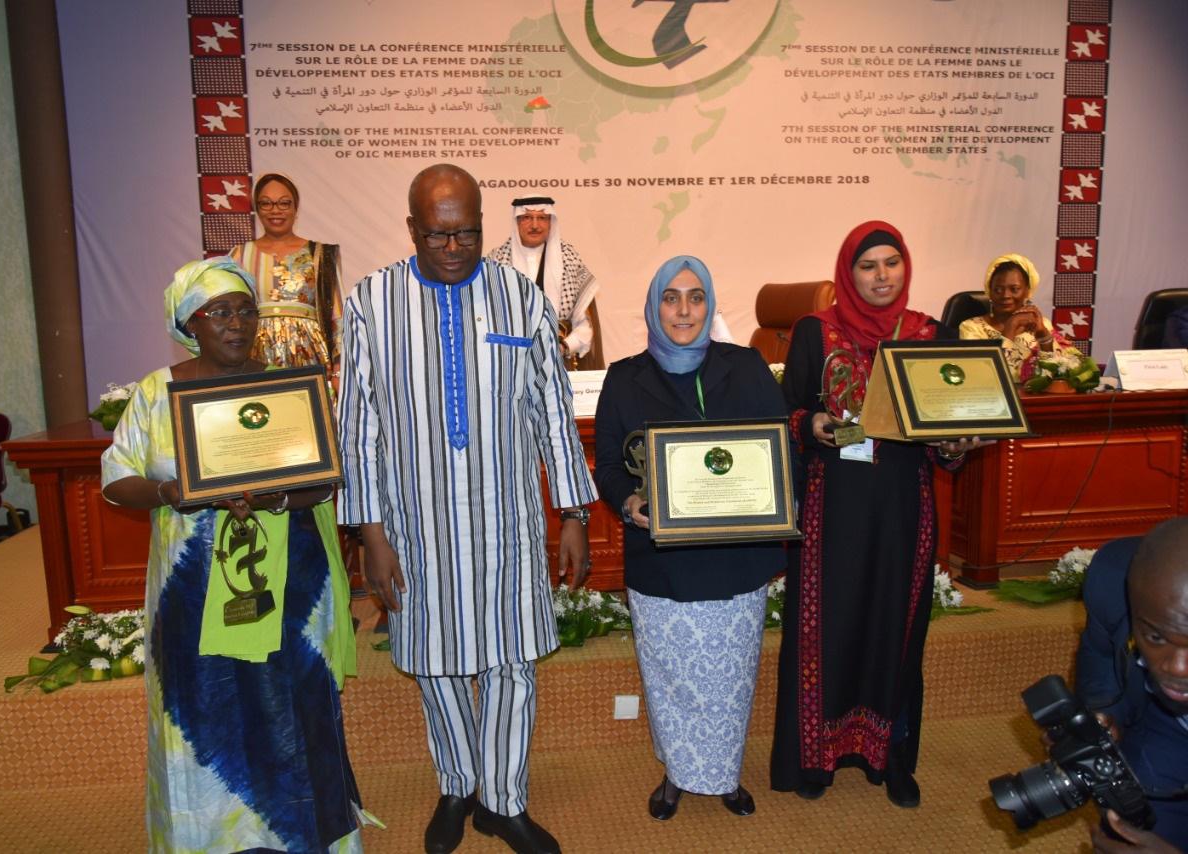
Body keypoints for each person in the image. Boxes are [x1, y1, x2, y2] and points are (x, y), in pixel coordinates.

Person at [337, 164, 597, 854]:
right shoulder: (371, 303)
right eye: (438, 235)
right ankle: (458, 786)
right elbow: (357, 428)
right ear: (411, 229)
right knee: (436, 660)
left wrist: (573, 514)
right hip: (413, 525)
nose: (454, 248)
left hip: (507, 521)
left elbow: (551, 410)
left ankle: (504, 802)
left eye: (468, 234)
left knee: (512, 660)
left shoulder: (520, 298)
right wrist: (370, 534)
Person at [101, 258, 364, 853]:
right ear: (188, 323)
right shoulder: (155, 393)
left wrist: (275, 496)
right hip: (191, 588)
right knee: (203, 704)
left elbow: (326, 481)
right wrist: (173, 493)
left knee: (291, 703)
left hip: (291, 582)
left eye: (247, 310)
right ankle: (210, 837)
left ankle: (300, 835)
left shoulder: (289, 388)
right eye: (219, 312)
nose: (237, 323)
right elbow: (117, 480)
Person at [770, 220, 979, 808]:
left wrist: (955, 446)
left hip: (902, 505)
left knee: (897, 625)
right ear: (848, 272)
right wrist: (810, 423)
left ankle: (893, 759)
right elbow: (787, 413)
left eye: (892, 262)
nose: (882, 275)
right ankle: (815, 758)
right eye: (868, 265)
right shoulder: (815, 331)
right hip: (831, 504)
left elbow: (946, 427)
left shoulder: (930, 333)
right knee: (824, 628)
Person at [593, 255, 788, 822]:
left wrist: (779, 499)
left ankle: (725, 774)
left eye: (696, 297)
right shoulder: (624, 377)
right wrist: (629, 503)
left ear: (710, 305)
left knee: (730, 676)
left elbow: (781, 450)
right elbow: (608, 465)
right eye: (671, 297)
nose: (684, 310)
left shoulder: (746, 367)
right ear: (654, 306)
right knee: (671, 675)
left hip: (735, 558)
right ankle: (677, 773)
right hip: (662, 557)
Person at [1075, 522, 1188, 853]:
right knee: (1130, 831)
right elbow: (1101, 657)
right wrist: (1102, 716)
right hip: (1169, 730)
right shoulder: (1116, 579)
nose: (1177, 668)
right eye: (1155, 637)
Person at [230, 173, 343, 379]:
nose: (275, 210)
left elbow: (337, 317)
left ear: (295, 208)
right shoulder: (239, 255)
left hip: (310, 356)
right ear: (257, 208)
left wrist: (338, 372)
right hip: (254, 359)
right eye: (266, 203)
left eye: (284, 203)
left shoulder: (320, 254)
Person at [488, 196, 605, 370]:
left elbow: (586, 323)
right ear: (517, 222)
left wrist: (564, 347)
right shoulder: (496, 261)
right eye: (527, 218)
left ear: (551, 222)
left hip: (560, 363)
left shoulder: (569, 260)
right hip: (510, 364)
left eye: (542, 218)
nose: (535, 225)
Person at [958, 253, 1076, 381]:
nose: (1005, 295)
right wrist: (1011, 327)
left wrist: (1043, 336)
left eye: (1014, 289)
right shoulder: (971, 328)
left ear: (1027, 291)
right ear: (989, 292)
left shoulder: (1042, 324)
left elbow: (1057, 373)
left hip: (1036, 394)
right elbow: (986, 376)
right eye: (998, 290)